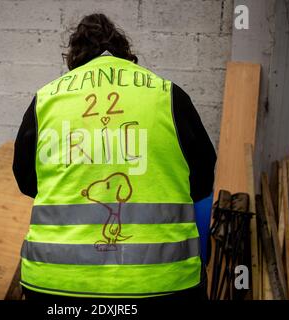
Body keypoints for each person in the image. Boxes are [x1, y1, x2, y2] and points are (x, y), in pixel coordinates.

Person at [13, 13, 216, 301]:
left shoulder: (46, 100)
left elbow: (26, 181)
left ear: (74, 58)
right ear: (125, 53)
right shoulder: (168, 95)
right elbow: (203, 179)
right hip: (161, 282)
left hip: (56, 282)